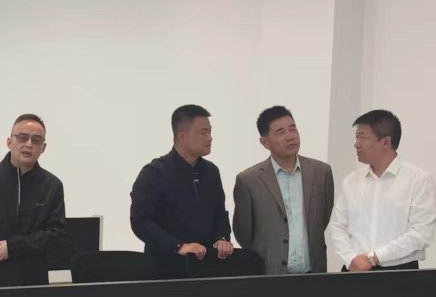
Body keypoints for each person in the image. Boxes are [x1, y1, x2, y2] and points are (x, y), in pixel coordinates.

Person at [325, 109, 436, 272]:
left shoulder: (418, 179)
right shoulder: (351, 181)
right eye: (356, 137)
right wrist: (351, 259)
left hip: (399, 272)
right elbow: (338, 227)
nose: (356, 144)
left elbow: (421, 233)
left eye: (362, 137)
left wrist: (374, 258)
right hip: (354, 270)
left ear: (386, 142)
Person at [130, 104, 233, 277]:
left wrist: (221, 239)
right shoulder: (154, 173)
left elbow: (219, 213)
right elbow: (140, 222)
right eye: (203, 133)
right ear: (182, 136)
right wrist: (178, 246)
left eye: (210, 132)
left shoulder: (211, 172)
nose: (210, 138)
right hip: (165, 269)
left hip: (207, 267)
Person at [0, 114, 68, 269]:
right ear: (9, 142)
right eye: (22, 138)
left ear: (43, 148)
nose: (28, 144)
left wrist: (14, 247)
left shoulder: (52, 185)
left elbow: (57, 234)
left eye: (36, 140)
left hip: (33, 273)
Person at [231, 105, 333, 275]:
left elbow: (322, 219)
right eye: (280, 132)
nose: (290, 136)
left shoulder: (321, 172)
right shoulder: (249, 180)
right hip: (269, 275)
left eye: (293, 129)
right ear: (265, 142)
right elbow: (244, 233)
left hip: (313, 273)